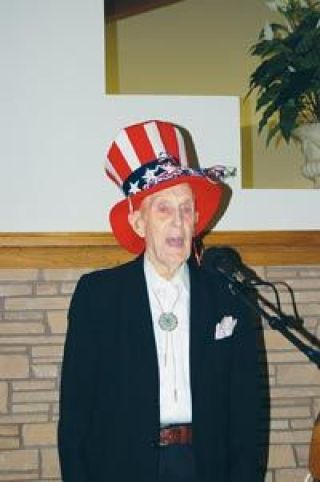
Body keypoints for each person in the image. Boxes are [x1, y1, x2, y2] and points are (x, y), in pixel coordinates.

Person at [58, 120, 260, 482]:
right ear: (138, 222)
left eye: (186, 209)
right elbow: (75, 418)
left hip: (205, 467)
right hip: (121, 467)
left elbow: (247, 414)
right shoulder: (97, 296)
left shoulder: (229, 294)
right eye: (163, 209)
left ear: (197, 220)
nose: (178, 222)